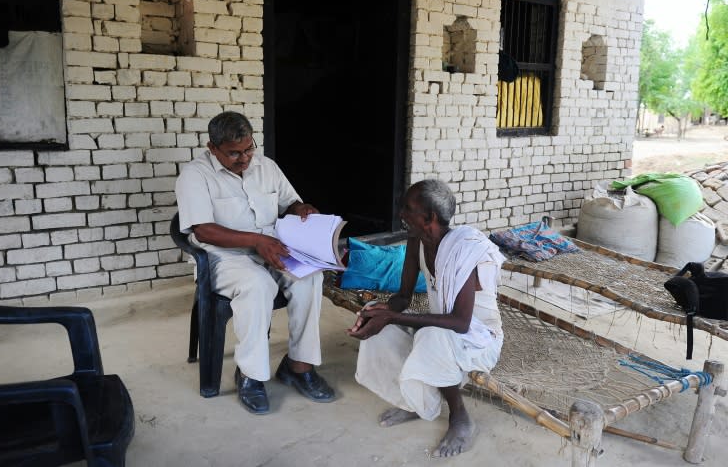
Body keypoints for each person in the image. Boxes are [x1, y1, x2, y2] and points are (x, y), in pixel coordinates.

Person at [175, 111, 335, 415]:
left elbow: (290, 202)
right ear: (212, 147)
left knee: (310, 277)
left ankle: (298, 366)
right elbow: (203, 230)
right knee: (257, 285)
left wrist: (304, 209)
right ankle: (250, 375)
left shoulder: (266, 167)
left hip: (271, 248)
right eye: (234, 153)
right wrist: (256, 240)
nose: (244, 158)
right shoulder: (194, 176)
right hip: (223, 259)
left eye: (248, 149)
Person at [347, 179, 505, 458]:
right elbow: (403, 297)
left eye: (408, 209)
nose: (402, 215)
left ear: (429, 217)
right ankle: (417, 404)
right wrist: (380, 313)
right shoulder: (416, 240)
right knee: (378, 313)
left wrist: (393, 316)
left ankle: (460, 417)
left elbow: (460, 323)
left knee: (431, 335)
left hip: (480, 340)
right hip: (447, 330)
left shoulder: (464, 250)